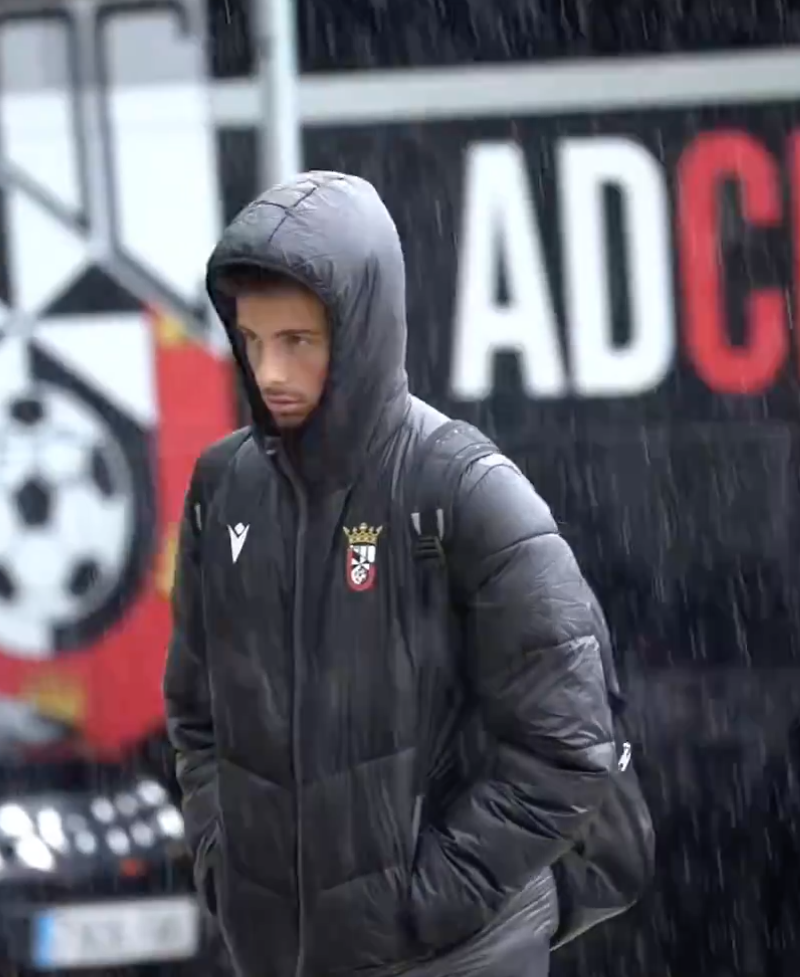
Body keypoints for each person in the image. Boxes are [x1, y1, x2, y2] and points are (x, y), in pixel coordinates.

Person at [163, 171, 618, 977]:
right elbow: (197, 715)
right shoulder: (222, 488)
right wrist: (221, 863)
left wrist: (429, 901)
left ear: (359, 328)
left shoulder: (467, 489)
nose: (269, 371)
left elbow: (570, 741)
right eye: (253, 339)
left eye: (296, 341)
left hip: (458, 958)